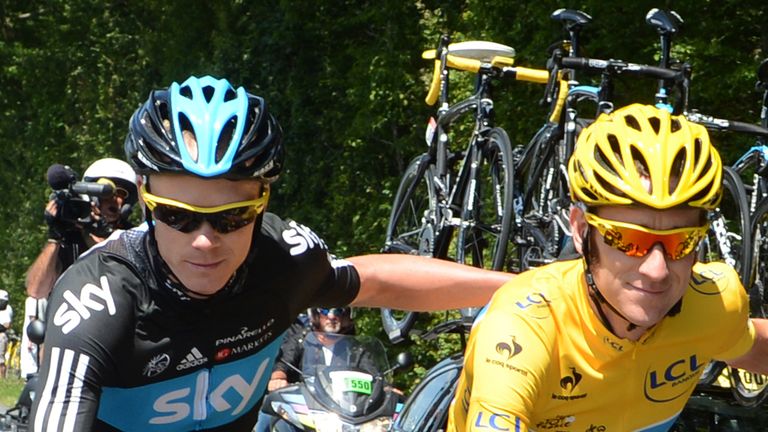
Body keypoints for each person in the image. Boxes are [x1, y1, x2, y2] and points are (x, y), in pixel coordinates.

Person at [29, 75, 513, 432]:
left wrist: (522, 286)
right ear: (145, 197)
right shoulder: (98, 300)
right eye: (177, 215)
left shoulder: (284, 259)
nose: (203, 240)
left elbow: (376, 280)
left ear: (263, 201)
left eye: (230, 218)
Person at [446, 103, 768, 432]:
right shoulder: (521, 330)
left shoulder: (715, 303)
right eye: (628, 240)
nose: (656, 270)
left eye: (681, 242)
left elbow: (750, 345)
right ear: (583, 230)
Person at [25, 157, 139, 300]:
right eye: (106, 191)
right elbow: (36, 291)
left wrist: (107, 235)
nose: (113, 198)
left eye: (120, 193)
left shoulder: (134, 238)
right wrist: (54, 237)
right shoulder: (72, 235)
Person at [0, 289, 14, 378]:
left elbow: (7, 324)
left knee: (0, 360)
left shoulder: (6, 309)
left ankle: (2, 378)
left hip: (1, 335)